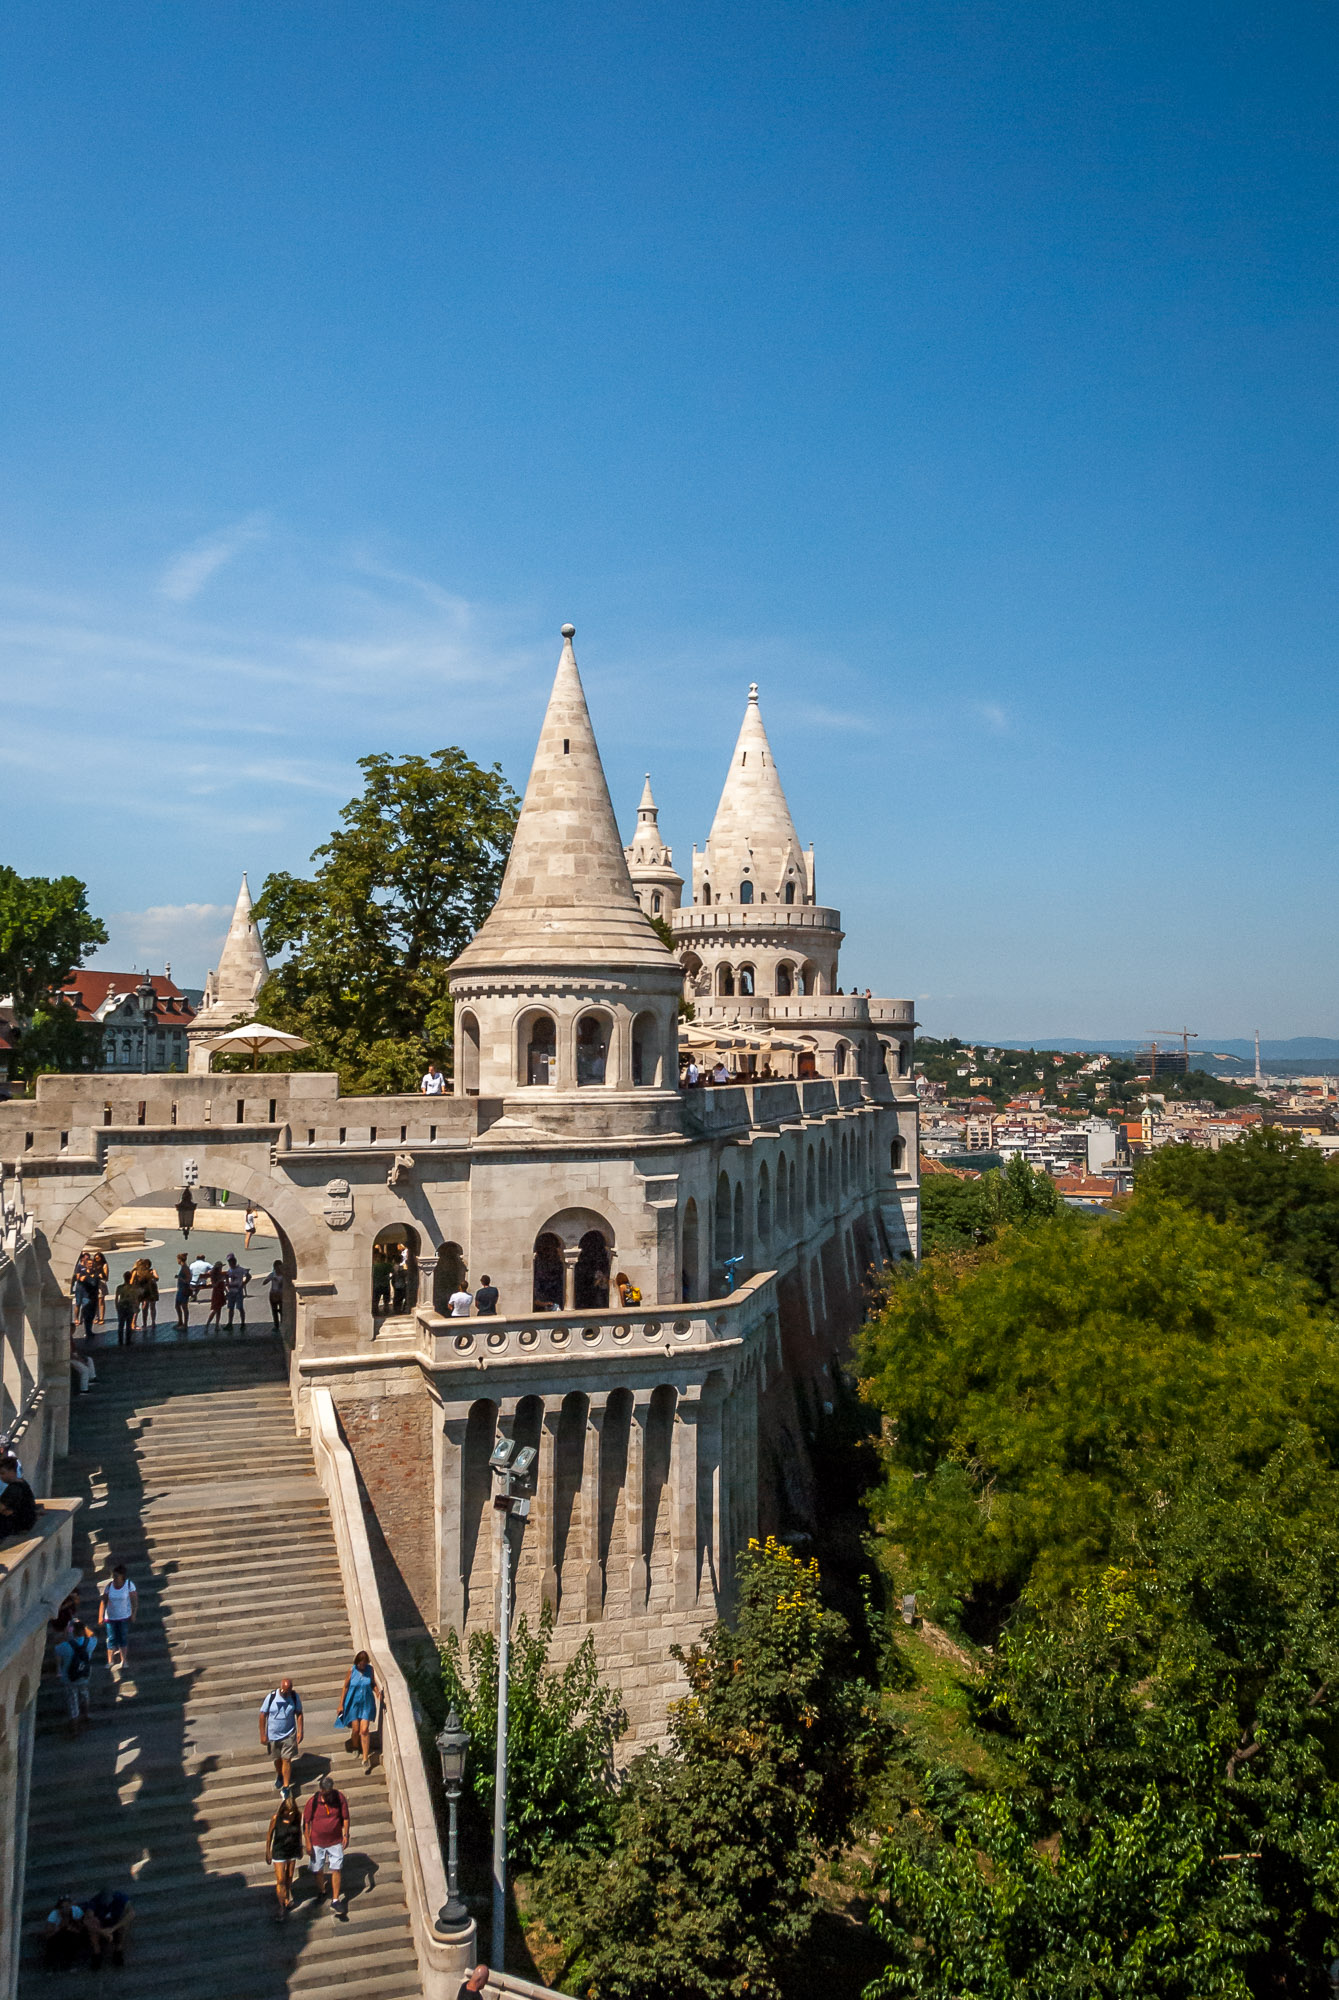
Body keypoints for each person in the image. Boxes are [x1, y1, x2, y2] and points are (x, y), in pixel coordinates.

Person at [302, 1773, 350, 1918]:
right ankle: (322, 1890)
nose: (329, 1796)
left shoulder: (339, 1798)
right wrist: (308, 1842)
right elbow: (306, 1823)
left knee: (336, 1868)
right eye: (326, 1793)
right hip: (317, 1842)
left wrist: (346, 1834)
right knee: (318, 1869)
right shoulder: (313, 1802)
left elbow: (346, 1817)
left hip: (335, 1840)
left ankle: (335, 1899)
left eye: (330, 1793)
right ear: (321, 1790)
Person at [336, 1650, 381, 1772]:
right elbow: (345, 1687)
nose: (362, 1666)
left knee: (364, 1729)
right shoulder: (352, 1670)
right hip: (353, 1703)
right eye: (360, 1664)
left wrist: (377, 1692)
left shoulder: (369, 1670)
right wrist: (341, 1704)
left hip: (366, 1703)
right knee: (355, 1729)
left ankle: (365, 1759)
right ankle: (355, 1746)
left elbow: (372, 1683)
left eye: (364, 1664)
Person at [260, 1678, 304, 1791]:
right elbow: (262, 1715)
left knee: (287, 1759)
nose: (286, 1693)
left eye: (288, 1690)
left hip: (289, 1734)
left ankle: (286, 1786)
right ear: (281, 1687)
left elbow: (299, 1713)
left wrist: (300, 1731)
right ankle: (280, 1774)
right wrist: (263, 1734)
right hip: (273, 1735)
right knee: (277, 1759)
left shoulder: (294, 1697)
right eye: (284, 1690)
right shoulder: (271, 1697)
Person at [266, 1788, 303, 1921]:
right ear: (283, 1811)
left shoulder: (298, 1817)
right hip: (279, 1851)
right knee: (280, 1879)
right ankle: (281, 1906)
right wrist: (268, 1851)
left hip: (292, 1850)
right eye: (288, 1813)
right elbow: (269, 1835)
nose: (290, 1815)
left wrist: (301, 1847)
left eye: (292, 1813)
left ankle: (287, 1895)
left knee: (289, 1876)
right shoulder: (276, 1819)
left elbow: (299, 1832)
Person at [55, 1620, 97, 1732]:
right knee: (85, 1694)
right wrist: (85, 1626)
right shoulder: (89, 1643)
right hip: (84, 1675)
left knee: (73, 1702)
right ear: (83, 1631)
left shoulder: (66, 1646)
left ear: (73, 1632)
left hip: (69, 1678)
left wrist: (66, 1632)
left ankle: (75, 1728)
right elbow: (93, 1635)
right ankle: (86, 1714)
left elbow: (57, 1647)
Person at [99, 1563, 137, 1669]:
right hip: (110, 1617)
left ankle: (124, 1660)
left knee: (122, 1638)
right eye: (113, 1576)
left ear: (122, 1576)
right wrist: (100, 1616)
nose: (114, 1578)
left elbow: (134, 1601)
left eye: (116, 1576)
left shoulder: (129, 1585)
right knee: (111, 1638)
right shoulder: (109, 1586)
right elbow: (104, 1601)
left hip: (124, 1616)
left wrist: (133, 1613)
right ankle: (110, 1660)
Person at [83, 1887, 133, 1968]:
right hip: (101, 1926)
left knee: (124, 1922)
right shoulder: (94, 1901)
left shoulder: (120, 1898)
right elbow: (86, 1920)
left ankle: (118, 1949)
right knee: (93, 1921)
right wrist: (102, 1931)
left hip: (115, 1924)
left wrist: (113, 1928)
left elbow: (131, 1913)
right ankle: (97, 1951)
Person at [42, 1894, 87, 1970]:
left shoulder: (76, 1910)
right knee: (53, 1942)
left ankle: (69, 1962)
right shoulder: (54, 1914)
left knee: (74, 1938)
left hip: (73, 1934)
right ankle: (50, 1965)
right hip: (58, 1935)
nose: (66, 1909)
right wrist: (60, 1927)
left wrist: (74, 1927)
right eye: (63, 1907)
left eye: (68, 1905)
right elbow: (47, 1934)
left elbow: (82, 1926)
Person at [0, 1455, 37, 1536]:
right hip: (27, 1523)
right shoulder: (23, 1483)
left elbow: (1, 1507)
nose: (1, 1477)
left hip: (19, 1526)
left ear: (12, 1471)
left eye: (3, 1473)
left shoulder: (14, 1488)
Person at [73, 1256, 99, 1341]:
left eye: (92, 1264)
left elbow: (96, 1282)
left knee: (91, 1315)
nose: (91, 1265)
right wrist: (87, 1277)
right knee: (87, 1315)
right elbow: (80, 1279)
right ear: (86, 1265)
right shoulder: (83, 1273)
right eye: (89, 1264)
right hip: (86, 1296)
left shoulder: (96, 1273)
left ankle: (89, 1330)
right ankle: (87, 1331)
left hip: (94, 1297)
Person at [224, 1253, 251, 1330]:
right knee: (230, 1308)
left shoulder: (240, 1269)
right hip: (232, 1291)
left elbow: (248, 1276)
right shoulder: (229, 1271)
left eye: (231, 1262)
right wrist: (228, 1284)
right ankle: (230, 1323)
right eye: (229, 1262)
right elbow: (226, 1277)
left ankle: (242, 1323)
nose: (230, 1263)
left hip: (238, 1290)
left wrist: (243, 1284)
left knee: (240, 1307)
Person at [113, 1269, 137, 1345]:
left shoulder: (119, 1287)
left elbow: (116, 1298)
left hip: (121, 1306)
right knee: (128, 1324)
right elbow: (135, 1298)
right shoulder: (133, 1288)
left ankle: (120, 1340)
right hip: (129, 1306)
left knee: (121, 1324)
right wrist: (135, 1307)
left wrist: (116, 1306)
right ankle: (128, 1340)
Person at [205, 1261, 226, 1332]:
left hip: (221, 1292)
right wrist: (220, 1280)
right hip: (217, 1293)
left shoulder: (219, 1274)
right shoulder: (214, 1275)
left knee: (219, 1310)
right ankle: (207, 1324)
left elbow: (223, 1284)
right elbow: (214, 1285)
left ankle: (217, 1325)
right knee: (215, 1310)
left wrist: (226, 1291)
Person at [173, 1252, 191, 1330]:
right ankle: (180, 1321)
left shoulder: (185, 1268)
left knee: (184, 1307)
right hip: (180, 1289)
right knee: (177, 1306)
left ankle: (185, 1324)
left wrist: (180, 1278)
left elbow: (188, 1279)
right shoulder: (183, 1267)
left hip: (183, 1290)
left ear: (180, 1259)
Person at [371, 1249, 392, 1315]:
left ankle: (375, 1312)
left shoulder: (375, 1266)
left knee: (376, 1300)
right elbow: (393, 1272)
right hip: (385, 1284)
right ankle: (386, 1311)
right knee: (386, 1301)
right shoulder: (388, 1265)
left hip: (377, 1285)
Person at [267, 1261, 285, 1332]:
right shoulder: (273, 1274)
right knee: (274, 1311)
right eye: (276, 1267)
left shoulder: (283, 1276)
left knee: (282, 1310)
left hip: (281, 1295)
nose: (278, 1269)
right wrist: (269, 1279)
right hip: (273, 1294)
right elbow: (265, 1281)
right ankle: (276, 1325)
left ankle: (283, 1323)